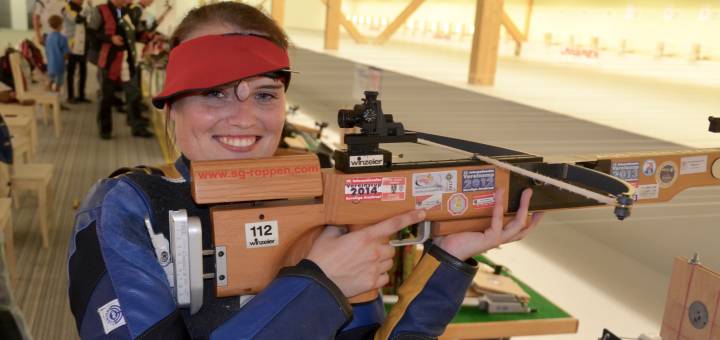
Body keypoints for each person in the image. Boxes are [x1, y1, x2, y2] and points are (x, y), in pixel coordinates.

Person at [67, 2, 543, 339]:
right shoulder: (128, 209)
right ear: (172, 107)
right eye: (214, 92)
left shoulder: (318, 200)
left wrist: (447, 257)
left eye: (265, 94)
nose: (245, 117)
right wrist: (320, 283)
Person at [87, 0, 153, 139]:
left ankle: (137, 126)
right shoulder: (100, 10)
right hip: (109, 61)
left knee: (133, 94)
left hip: (127, 60)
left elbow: (135, 32)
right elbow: (91, 34)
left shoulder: (127, 11)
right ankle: (105, 130)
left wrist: (149, 37)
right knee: (107, 97)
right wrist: (110, 39)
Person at [63, 0, 92, 103]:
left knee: (83, 71)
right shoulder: (67, 7)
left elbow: (90, 21)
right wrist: (87, 8)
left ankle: (81, 95)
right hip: (72, 45)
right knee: (71, 72)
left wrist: (89, 8)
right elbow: (78, 19)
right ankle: (70, 96)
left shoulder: (82, 8)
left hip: (83, 44)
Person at [45, 15, 69, 93]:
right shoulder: (63, 38)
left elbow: (47, 50)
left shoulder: (48, 37)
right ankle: (56, 101)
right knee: (58, 85)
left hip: (50, 65)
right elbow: (66, 53)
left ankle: (48, 98)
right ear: (60, 25)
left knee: (51, 81)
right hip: (59, 65)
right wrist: (65, 61)